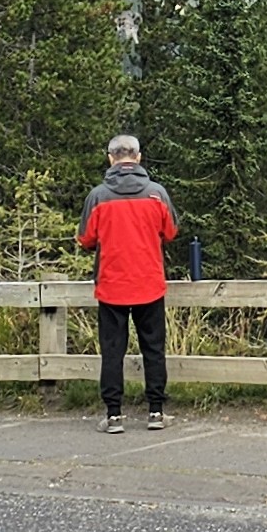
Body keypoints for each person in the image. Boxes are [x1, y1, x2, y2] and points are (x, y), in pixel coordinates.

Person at [77, 135, 179, 433]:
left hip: (111, 285)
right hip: (149, 283)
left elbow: (85, 239)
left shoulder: (98, 197)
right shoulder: (156, 194)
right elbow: (171, 231)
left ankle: (113, 416)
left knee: (112, 351)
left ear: (111, 158)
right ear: (139, 157)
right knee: (154, 349)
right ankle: (156, 412)